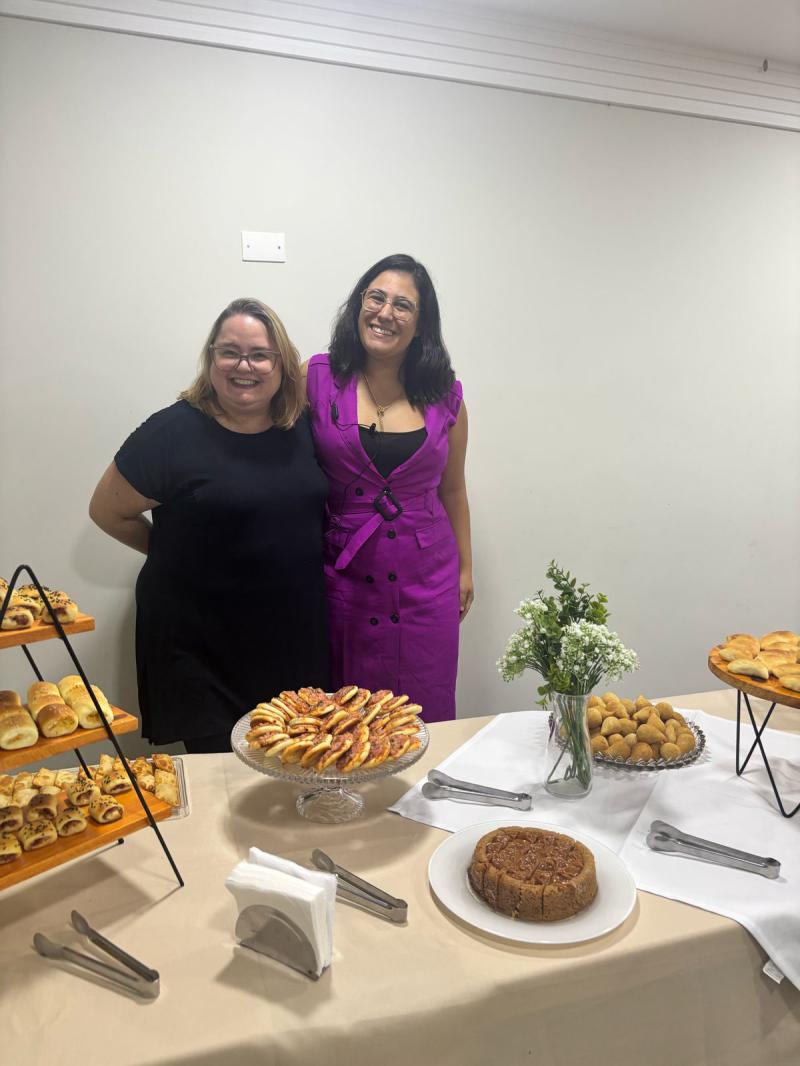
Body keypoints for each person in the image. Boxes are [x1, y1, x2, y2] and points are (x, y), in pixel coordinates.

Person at [90, 298, 329, 752]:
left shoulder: (302, 427)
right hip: (202, 642)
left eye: (260, 355)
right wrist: (176, 554)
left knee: (297, 761)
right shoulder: (170, 433)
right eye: (229, 352)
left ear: (282, 364)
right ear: (211, 357)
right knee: (221, 775)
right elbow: (107, 511)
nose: (244, 366)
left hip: (291, 634)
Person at [304, 253, 472, 723]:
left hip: (428, 579)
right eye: (375, 297)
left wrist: (465, 569)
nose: (385, 312)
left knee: (425, 710)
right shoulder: (315, 377)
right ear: (359, 304)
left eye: (403, 305)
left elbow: (453, 490)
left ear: (420, 325)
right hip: (343, 574)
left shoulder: (446, 395)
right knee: (347, 718)